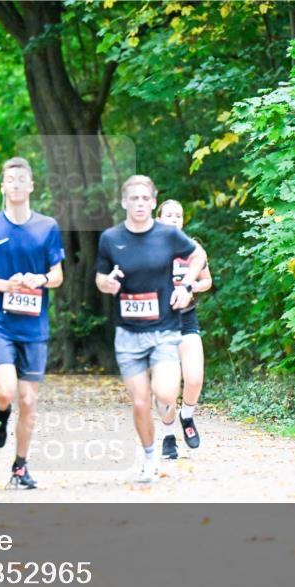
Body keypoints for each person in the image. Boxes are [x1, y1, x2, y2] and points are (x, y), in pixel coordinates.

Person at [95, 176, 206, 482]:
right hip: (129, 332)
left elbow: (199, 255)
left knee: (166, 394)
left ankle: (177, 420)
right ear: (124, 202)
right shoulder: (110, 238)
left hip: (165, 330)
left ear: (153, 202)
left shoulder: (169, 237)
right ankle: (148, 457)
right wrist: (109, 284)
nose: (140, 203)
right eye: (134, 198)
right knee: (141, 400)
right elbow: (100, 279)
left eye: (146, 198)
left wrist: (186, 285)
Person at [0, 157, 65, 490]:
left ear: (32, 186)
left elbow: (58, 275)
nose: (18, 184)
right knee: (7, 391)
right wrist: (4, 284)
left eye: (23, 179)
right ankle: (0, 413)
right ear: (3, 187)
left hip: (35, 326)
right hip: (1, 323)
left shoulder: (47, 226)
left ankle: (20, 467)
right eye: (11, 179)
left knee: (29, 400)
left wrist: (40, 279)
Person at [157, 199, 213, 449]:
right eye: (168, 215)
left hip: (187, 318)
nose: (173, 219)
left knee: (194, 379)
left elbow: (207, 281)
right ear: (159, 219)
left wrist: (191, 286)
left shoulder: (194, 249)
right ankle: (169, 436)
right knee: (167, 389)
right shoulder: (148, 248)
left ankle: (187, 416)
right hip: (159, 325)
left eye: (178, 216)